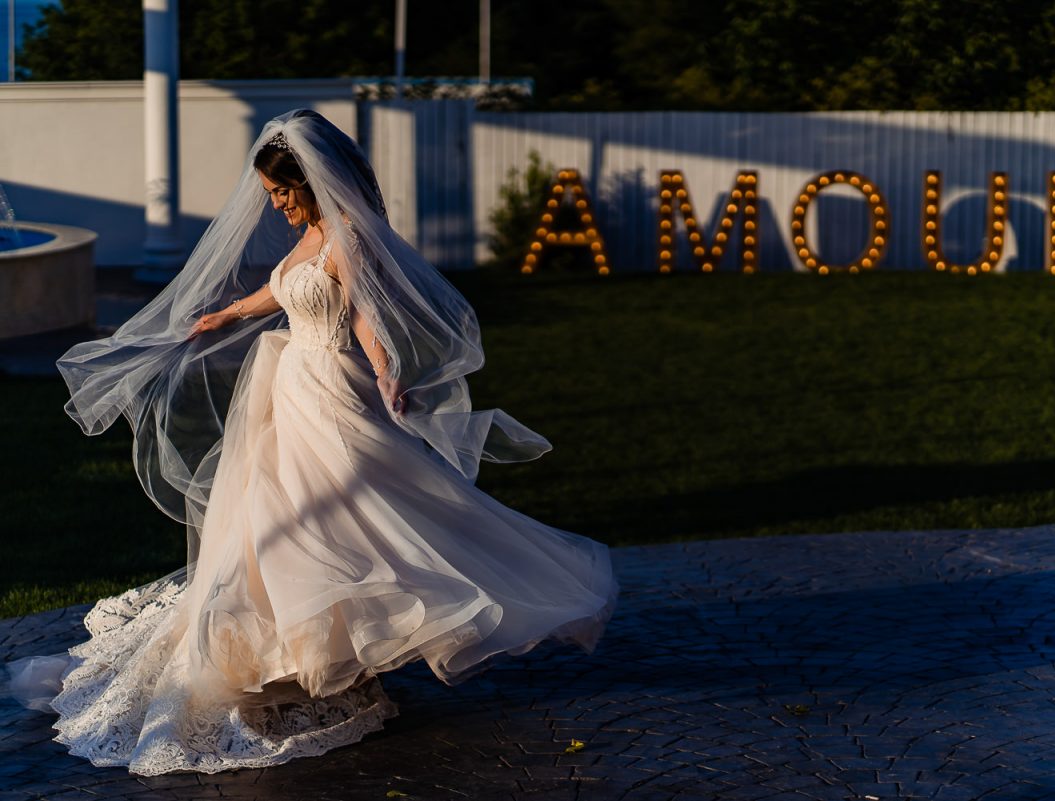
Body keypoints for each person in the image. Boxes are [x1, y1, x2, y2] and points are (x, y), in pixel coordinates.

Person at [1, 109, 619, 775]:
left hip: (333, 386)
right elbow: (283, 290)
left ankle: (405, 621)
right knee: (281, 517)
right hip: (286, 385)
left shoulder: (349, 234)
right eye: (270, 196)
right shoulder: (313, 234)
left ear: (309, 181)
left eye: (282, 194)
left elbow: (366, 312)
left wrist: (387, 374)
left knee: (359, 511)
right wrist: (227, 313)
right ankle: (289, 651)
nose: (276, 205)